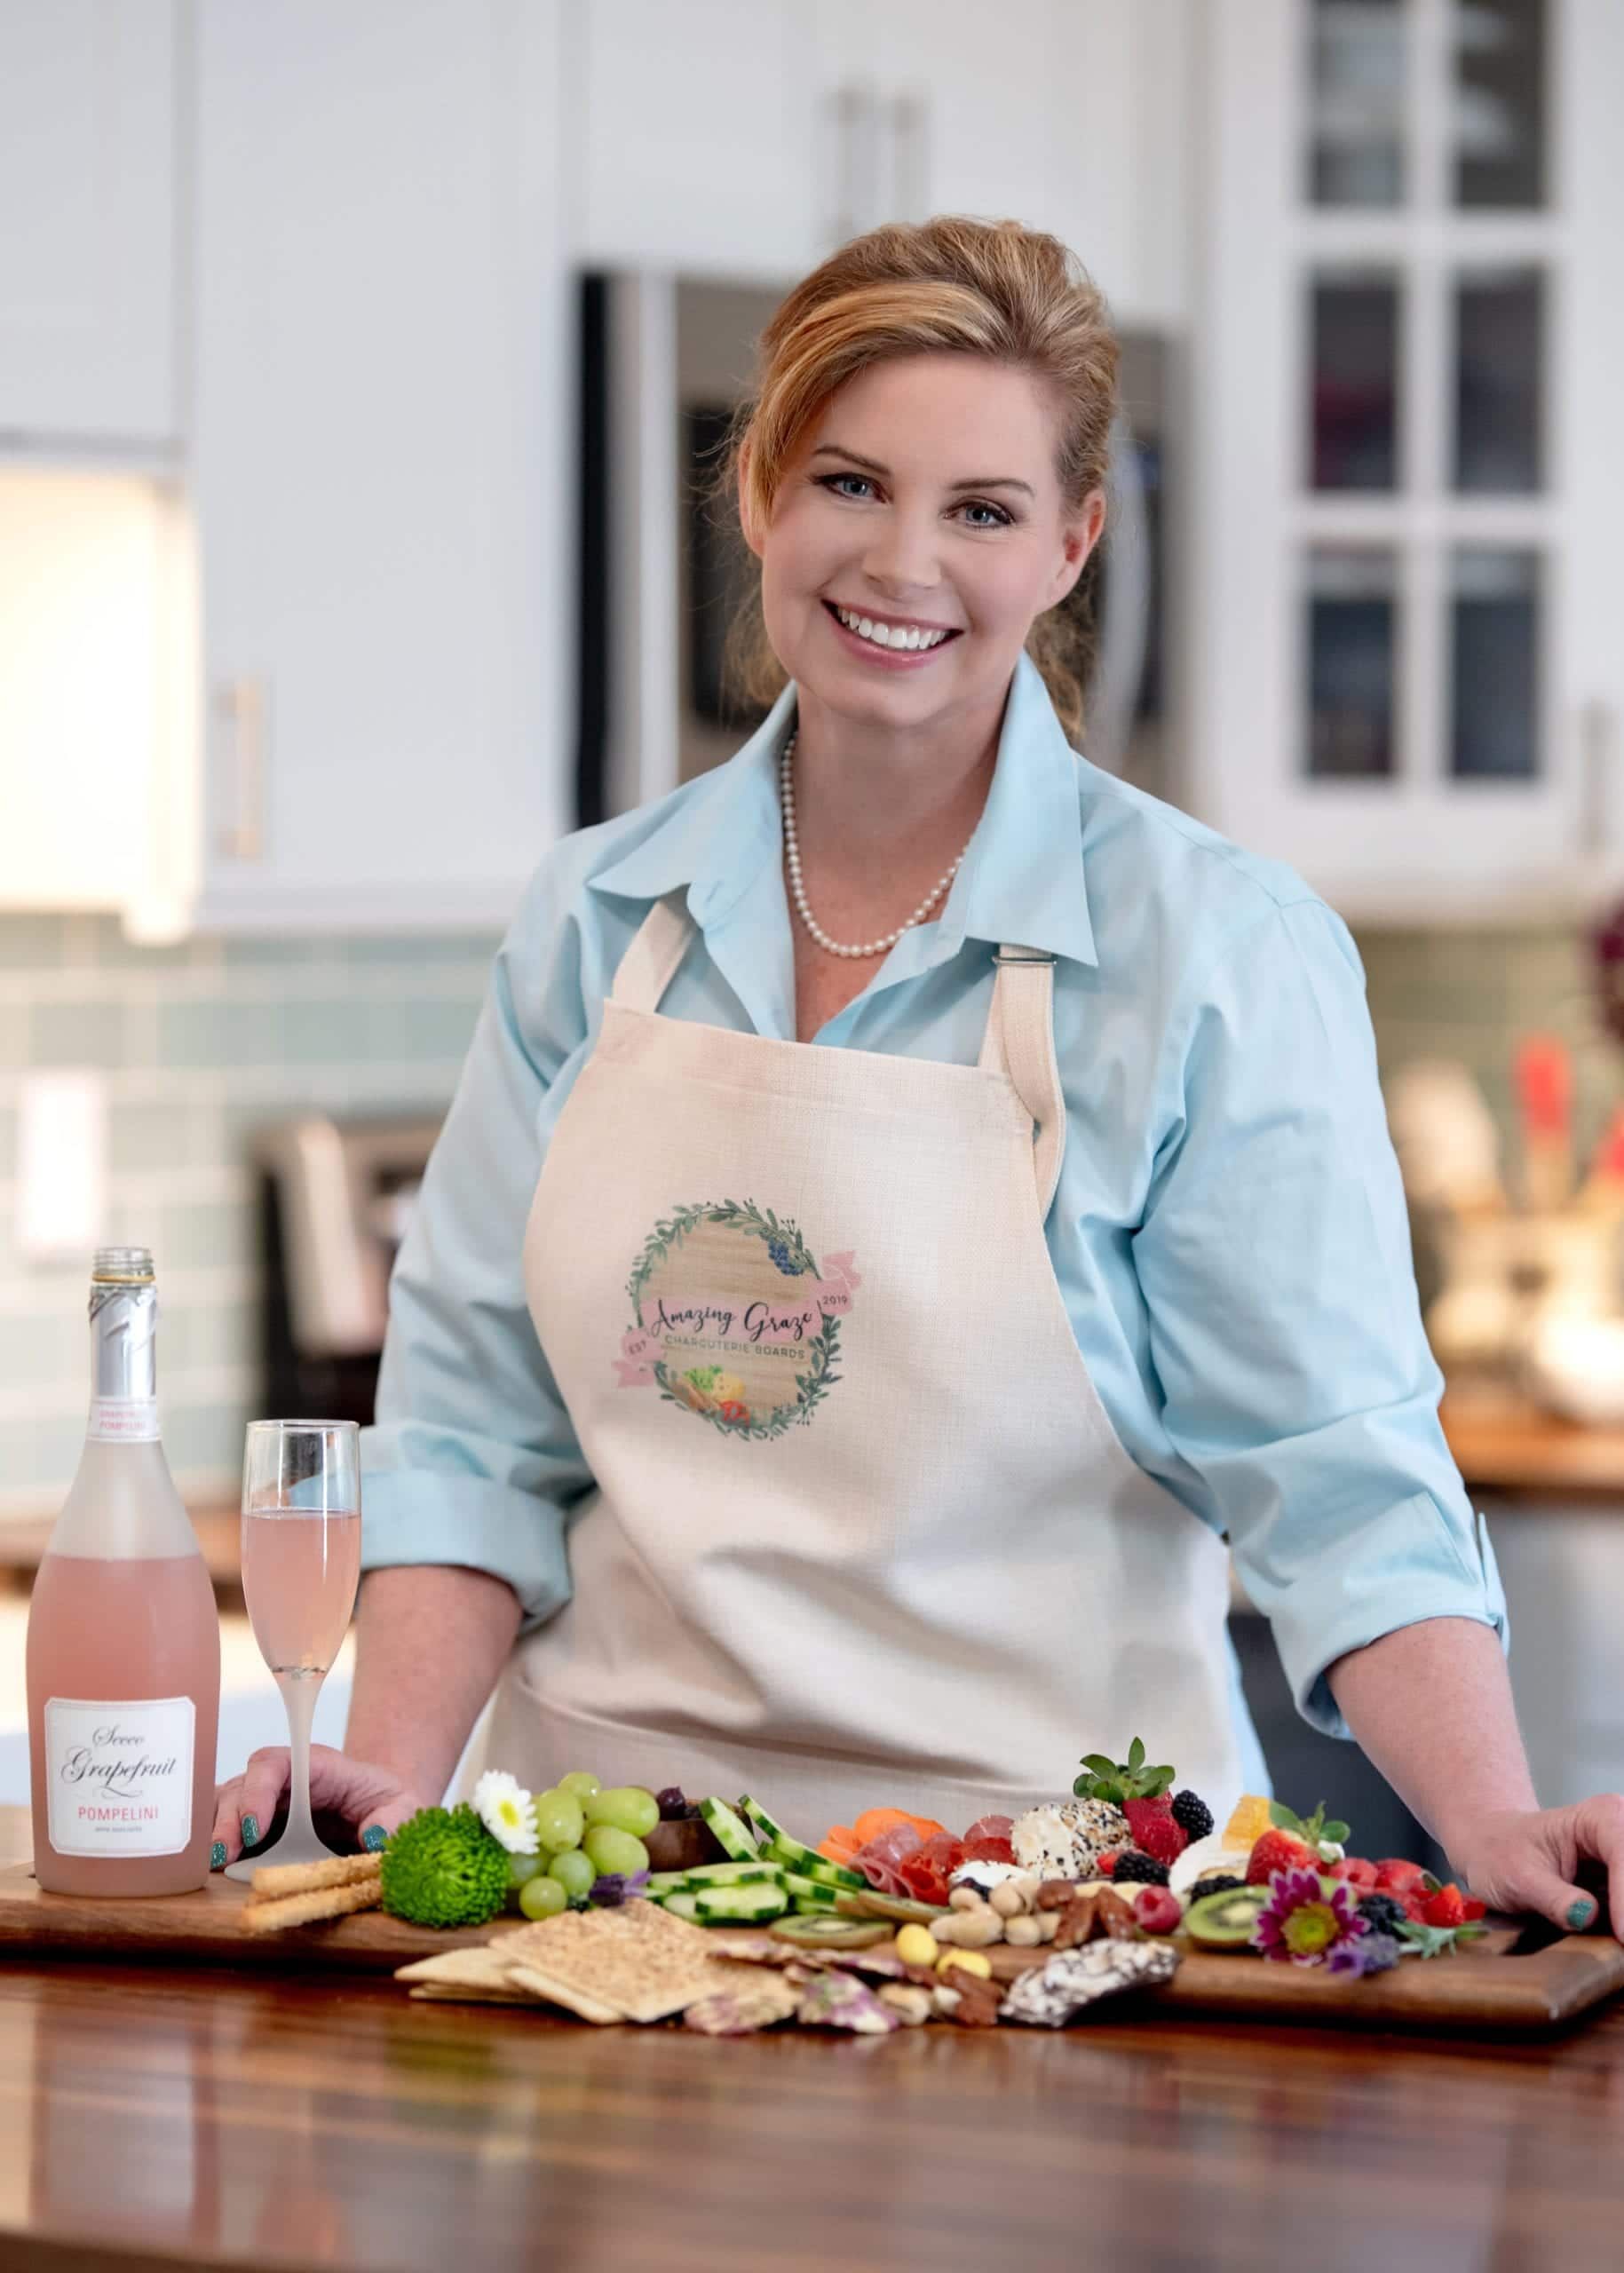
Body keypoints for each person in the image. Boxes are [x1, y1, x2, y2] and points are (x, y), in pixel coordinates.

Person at [214, 217, 1620, 1929]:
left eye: (981, 510)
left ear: (1070, 546)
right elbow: (474, 1430)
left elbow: (1331, 1468)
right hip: (597, 1887)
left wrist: (1486, 1813)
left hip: (1047, 1907)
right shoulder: (596, 919)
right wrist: (391, 1777)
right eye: (849, 484)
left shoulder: (1215, 952)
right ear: (758, 498)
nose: (900, 563)